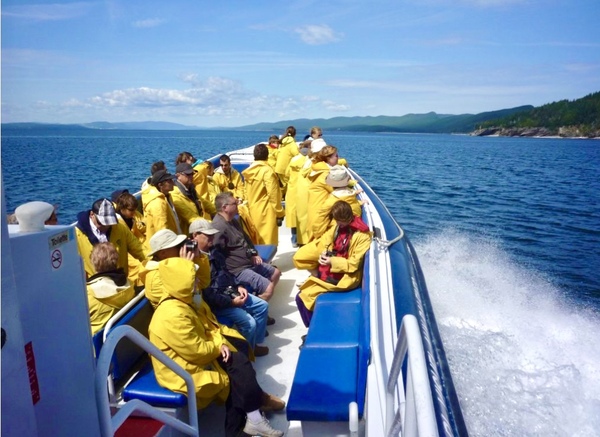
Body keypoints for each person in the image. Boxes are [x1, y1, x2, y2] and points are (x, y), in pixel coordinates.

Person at [146, 240, 285, 437]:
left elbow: (204, 326)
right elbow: (195, 351)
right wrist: (218, 347)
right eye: (192, 280)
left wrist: (219, 343)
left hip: (199, 348)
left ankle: (250, 418)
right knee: (234, 373)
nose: (197, 284)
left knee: (240, 351)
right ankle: (250, 417)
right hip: (181, 369)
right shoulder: (172, 313)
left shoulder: (183, 299)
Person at [197, 217, 269, 356]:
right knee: (249, 323)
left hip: (228, 292)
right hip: (217, 304)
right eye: (207, 236)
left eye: (212, 235)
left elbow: (227, 271)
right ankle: (246, 354)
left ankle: (253, 345)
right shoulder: (194, 262)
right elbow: (207, 295)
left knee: (262, 306)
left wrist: (239, 285)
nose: (212, 238)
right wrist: (231, 302)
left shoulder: (214, 252)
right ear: (195, 236)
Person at [293, 200, 372, 327]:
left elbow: (354, 264)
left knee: (301, 298)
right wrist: (325, 254)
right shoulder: (337, 227)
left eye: (340, 221)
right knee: (301, 296)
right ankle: (313, 327)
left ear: (346, 217)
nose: (338, 224)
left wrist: (332, 261)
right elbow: (329, 243)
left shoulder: (362, 236)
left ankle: (315, 329)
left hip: (346, 278)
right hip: (332, 272)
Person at [212, 192, 281, 303]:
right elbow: (217, 257)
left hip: (249, 262)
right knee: (268, 289)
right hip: (237, 270)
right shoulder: (218, 228)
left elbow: (246, 240)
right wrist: (232, 281)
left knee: (275, 273)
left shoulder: (233, 220)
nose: (238, 204)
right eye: (235, 203)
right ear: (225, 207)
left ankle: (260, 299)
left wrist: (253, 253)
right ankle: (258, 309)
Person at [75, 198, 145, 279]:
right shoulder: (77, 235)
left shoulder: (120, 228)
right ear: (92, 215)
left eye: (109, 223)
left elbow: (138, 249)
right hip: (94, 286)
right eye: (102, 223)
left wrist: (154, 260)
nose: (106, 226)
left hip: (120, 281)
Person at [86, 242, 135, 335]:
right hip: (125, 338)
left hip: (96, 346)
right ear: (116, 260)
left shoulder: (87, 294)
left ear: (93, 262)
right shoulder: (129, 285)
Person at [241, 144, 285, 246]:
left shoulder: (249, 170)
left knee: (255, 239)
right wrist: (279, 212)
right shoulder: (267, 171)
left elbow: (245, 191)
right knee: (268, 242)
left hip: (252, 210)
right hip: (266, 212)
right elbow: (273, 194)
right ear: (267, 155)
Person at [310, 165, 364, 240]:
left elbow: (321, 218)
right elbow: (352, 205)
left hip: (339, 231)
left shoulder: (332, 200)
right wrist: (360, 203)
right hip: (355, 228)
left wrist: (317, 235)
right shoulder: (351, 195)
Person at [295, 138, 327, 245]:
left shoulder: (307, 161)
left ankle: (302, 243)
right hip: (310, 196)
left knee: (304, 221)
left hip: (302, 194)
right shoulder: (318, 165)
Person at [305, 145, 340, 242]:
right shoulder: (326, 174)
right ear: (328, 158)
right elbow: (338, 193)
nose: (338, 158)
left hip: (314, 211)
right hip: (319, 215)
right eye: (336, 156)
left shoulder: (319, 169)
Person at [113, 190, 147, 288]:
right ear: (122, 208)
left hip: (135, 248)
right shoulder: (117, 224)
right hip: (125, 256)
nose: (134, 213)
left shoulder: (130, 218)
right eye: (131, 210)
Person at [142, 169, 181, 252]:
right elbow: (162, 230)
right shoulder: (158, 204)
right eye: (169, 180)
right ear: (160, 185)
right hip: (163, 248)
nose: (172, 182)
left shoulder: (167, 196)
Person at [171, 162, 214, 235]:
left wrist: (219, 212)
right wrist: (210, 224)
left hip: (196, 230)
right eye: (188, 174)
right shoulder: (175, 195)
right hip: (186, 235)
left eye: (192, 174)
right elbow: (190, 216)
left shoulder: (190, 189)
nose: (192, 176)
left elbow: (204, 202)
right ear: (178, 176)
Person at [285, 139, 311, 247]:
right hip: (304, 190)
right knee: (304, 216)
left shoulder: (293, 160)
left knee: (293, 215)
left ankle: (294, 239)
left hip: (292, 190)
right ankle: (304, 240)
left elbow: (286, 174)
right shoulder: (309, 161)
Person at [274, 126, 298, 193]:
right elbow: (296, 154)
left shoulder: (283, 142)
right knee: (289, 186)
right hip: (286, 168)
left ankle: (281, 198)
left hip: (279, 167)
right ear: (295, 134)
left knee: (283, 185)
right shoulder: (291, 143)